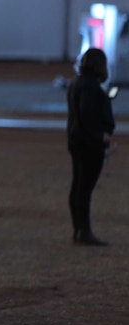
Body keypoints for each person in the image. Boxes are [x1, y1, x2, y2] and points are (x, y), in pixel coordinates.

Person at [67, 47, 115, 246]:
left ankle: (79, 229)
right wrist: (101, 135)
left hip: (76, 140)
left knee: (78, 185)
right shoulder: (91, 87)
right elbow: (88, 116)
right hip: (90, 144)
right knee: (84, 188)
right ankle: (84, 231)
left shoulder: (76, 83)